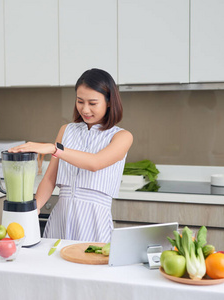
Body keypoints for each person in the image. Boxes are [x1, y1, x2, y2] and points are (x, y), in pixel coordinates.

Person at [8, 68, 133, 242]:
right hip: (61, 219)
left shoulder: (122, 136)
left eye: (93, 103)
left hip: (95, 223)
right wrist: (32, 212)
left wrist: (54, 149)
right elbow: (50, 179)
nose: (85, 109)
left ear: (109, 101)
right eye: (80, 101)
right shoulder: (66, 131)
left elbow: (95, 163)